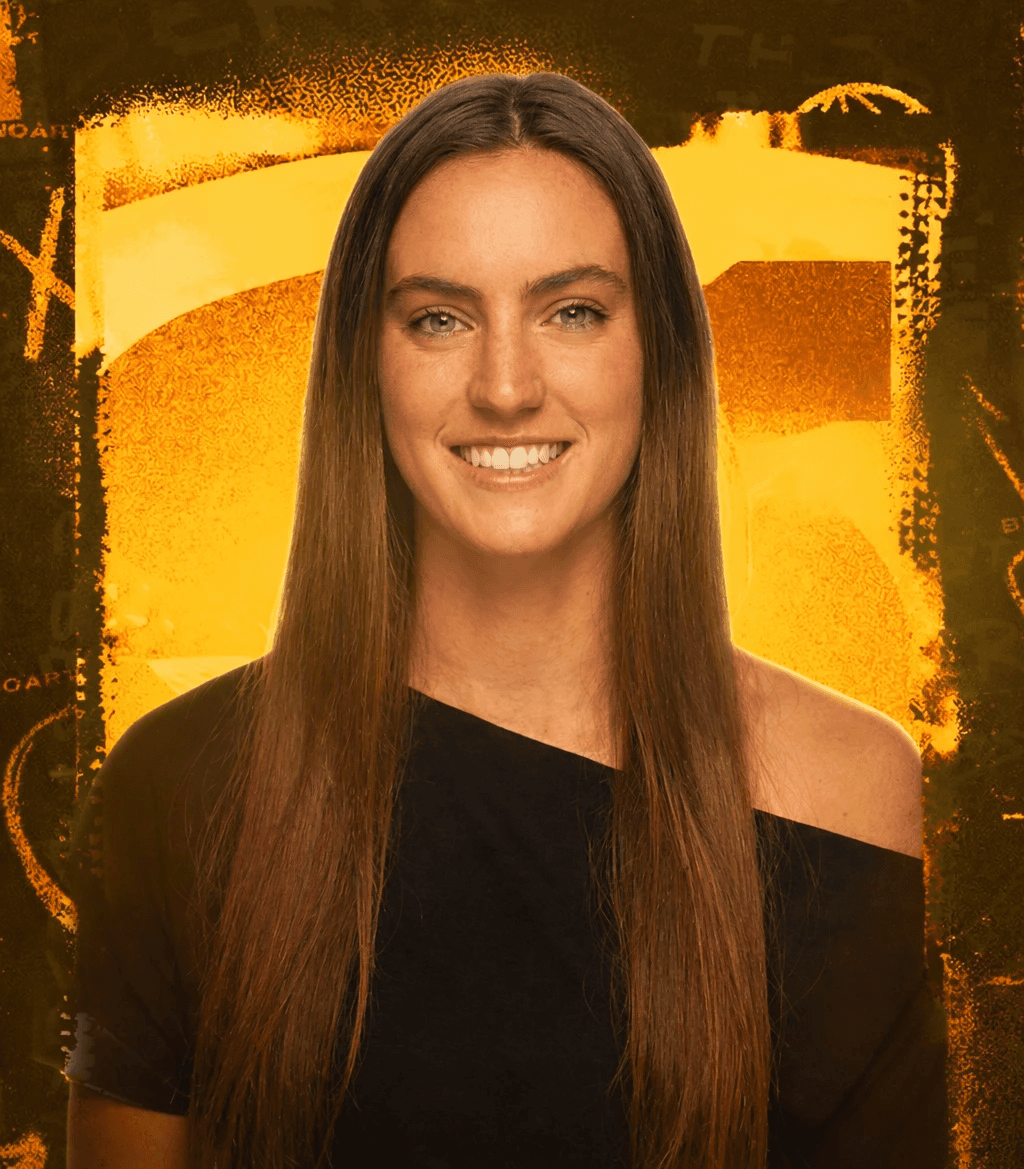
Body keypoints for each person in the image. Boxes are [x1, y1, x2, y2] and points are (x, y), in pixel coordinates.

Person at [64, 72, 947, 1169]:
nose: (505, 385)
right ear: (365, 363)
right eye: (438, 318)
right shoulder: (175, 787)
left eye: (572, 310)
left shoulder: (857, 795)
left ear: (659, 351)